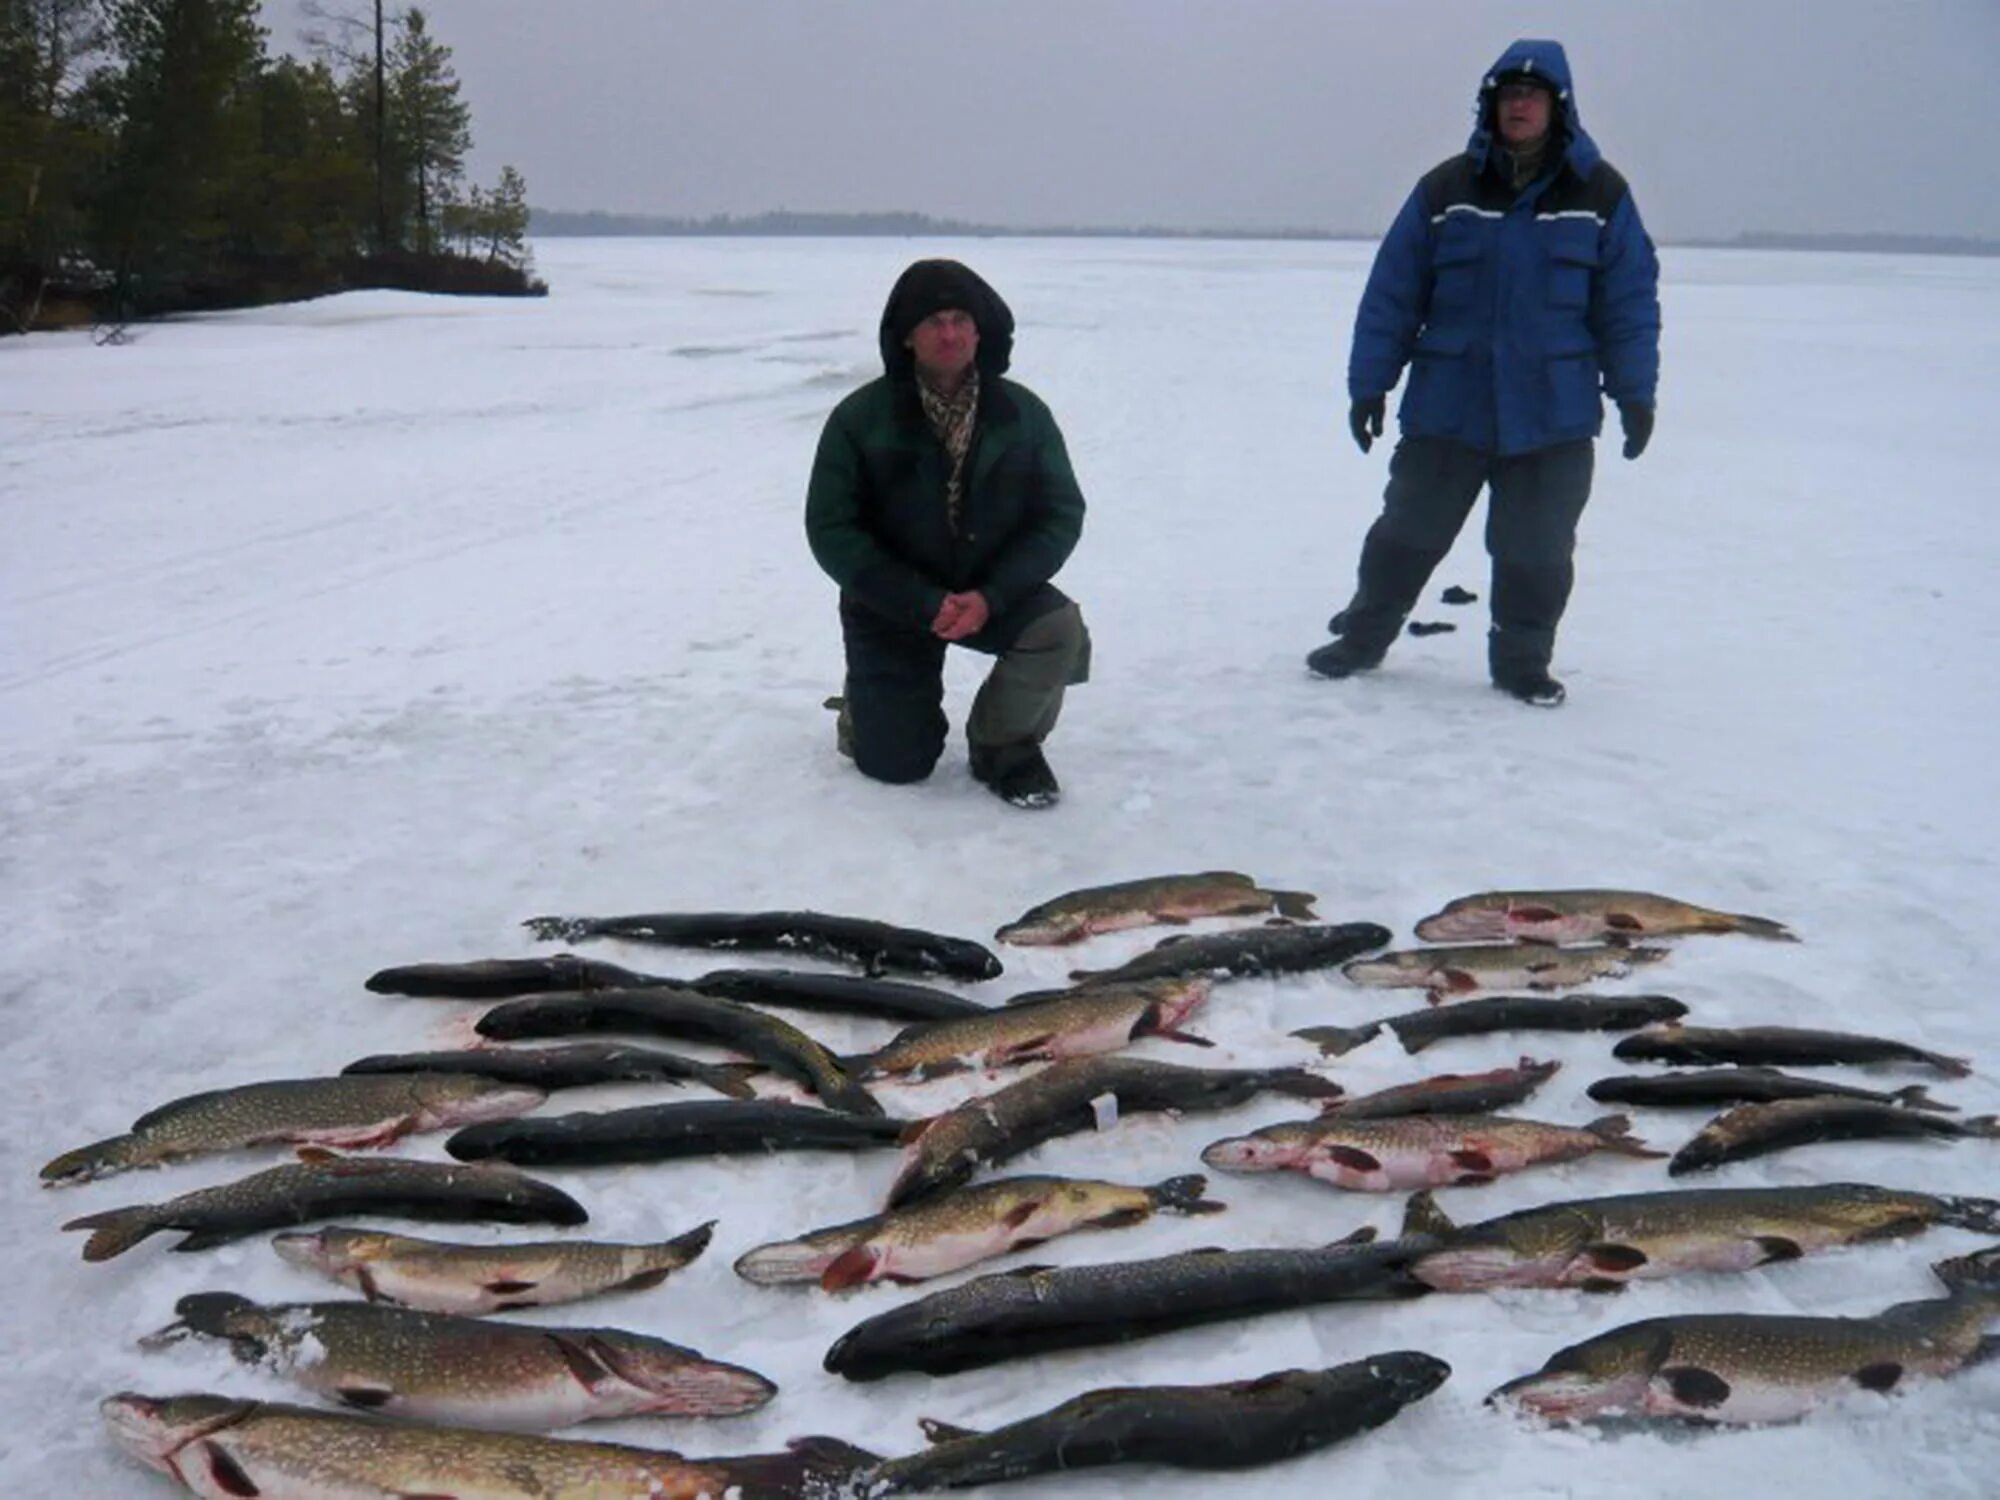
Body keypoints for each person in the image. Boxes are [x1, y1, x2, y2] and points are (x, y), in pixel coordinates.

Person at [1309, 38, 1661, 707]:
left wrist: (1635, 393)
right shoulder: (1446, 189)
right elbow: (1393, 293)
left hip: (1551, 415)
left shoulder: (1602, 194)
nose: (1518, 106)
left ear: (1559, 108)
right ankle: (1363, 636)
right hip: (1450, 405)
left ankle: (1523, 662)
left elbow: (1629, 304)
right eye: (1507, 95)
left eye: (1531, 96)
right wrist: (1370, 383)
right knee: (1405, 534)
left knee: (1536, 551)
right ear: (1490, 106)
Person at [806, 259, 1090, 808]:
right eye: (933, 321)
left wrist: (994, 595)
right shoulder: (859, 418)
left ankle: (1003, 746)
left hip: (988, 589)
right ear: (907, 337)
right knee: (896, 765)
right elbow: (831, 528)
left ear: (980, 330)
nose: (950, 333)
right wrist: (916, 599)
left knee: (1057, 627)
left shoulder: (1023, 415)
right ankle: (864, 710)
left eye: (961, 318)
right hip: (891, 602)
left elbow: (1059, 515)